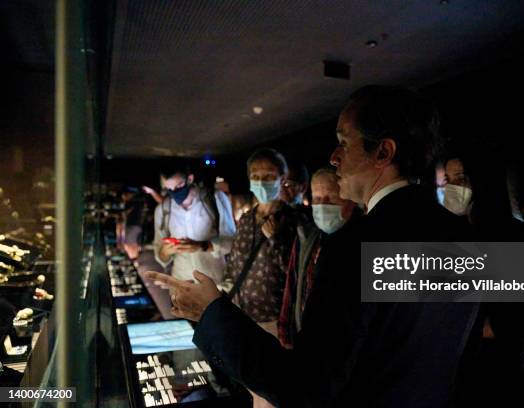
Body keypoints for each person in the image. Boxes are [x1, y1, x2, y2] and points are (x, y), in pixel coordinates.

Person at [147, 85, 478, 407]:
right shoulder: (464, 235)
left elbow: (305, 387)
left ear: (383, 152)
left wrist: (211, 314)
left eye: (344, 143)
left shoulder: (353, 247)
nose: (334, 158)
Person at [437, 147, 524, 408]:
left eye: (461, 178)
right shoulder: (449, 238)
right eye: (449, 180)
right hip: (454, 374)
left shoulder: (514, 237)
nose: (453, 187)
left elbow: (515, 321)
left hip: (498, 374)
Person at [220, 148, 306, 408]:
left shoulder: (294, 220)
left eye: (268, 174)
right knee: (251, 387)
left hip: (274, 322)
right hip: (243, 316)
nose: (261, 180)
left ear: (282, 178)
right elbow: (235, 264)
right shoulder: (247, 219)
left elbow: (298, 274)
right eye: (255, 175)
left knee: (271, 393)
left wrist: (277, 240)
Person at [278, 167, 359, 347]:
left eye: (331, 198)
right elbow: (292, 284)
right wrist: (285, 332)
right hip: (306, 341)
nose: (323, 205)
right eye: (317, 198)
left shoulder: (365, 240)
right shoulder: (306, 238)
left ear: (351, 201)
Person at [153, 161, 235, 284]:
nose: (174, 192)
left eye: (178, 186)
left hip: (213, 282)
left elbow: (231, 242)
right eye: (168, 189)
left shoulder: (216, 199)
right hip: (181, 282)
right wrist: (165, 251)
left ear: (190, 179)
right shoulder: (163, 209)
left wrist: (202, 246)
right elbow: (160, 255)